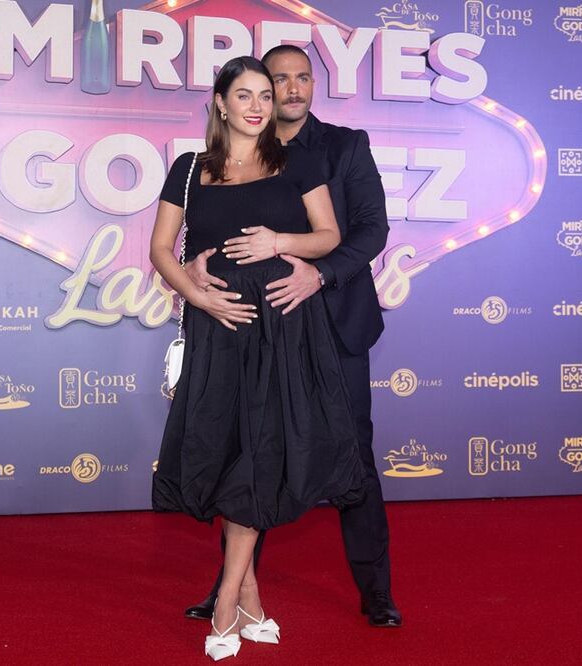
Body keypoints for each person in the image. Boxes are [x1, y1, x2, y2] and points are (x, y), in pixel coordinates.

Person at [150, 55, 366, 660]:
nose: (257, 106)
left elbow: (329, 236)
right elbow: (161, 248)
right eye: (244, 95)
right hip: (218, 326)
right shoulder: (190, 170)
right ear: (221, 103)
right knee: (223, 449)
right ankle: (251, 598)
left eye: (265, 96)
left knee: (261, 452)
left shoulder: (298, 161)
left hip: (281, 327)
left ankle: (226, 600)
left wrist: (279, 242)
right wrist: (196, 295)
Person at [182, 45, 402, 628]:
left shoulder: (343, 145)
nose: (293, 88)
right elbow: (204, 232)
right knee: (249, 448)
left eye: (303, 77)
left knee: (351, 456)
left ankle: (375, 590)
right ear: (251, 92)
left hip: (335, 321)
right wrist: (196, 267)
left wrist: (320, 273)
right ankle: (234, 585)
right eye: (279, 79)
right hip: (261, 328)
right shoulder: (227, 156)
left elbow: (371, 228)